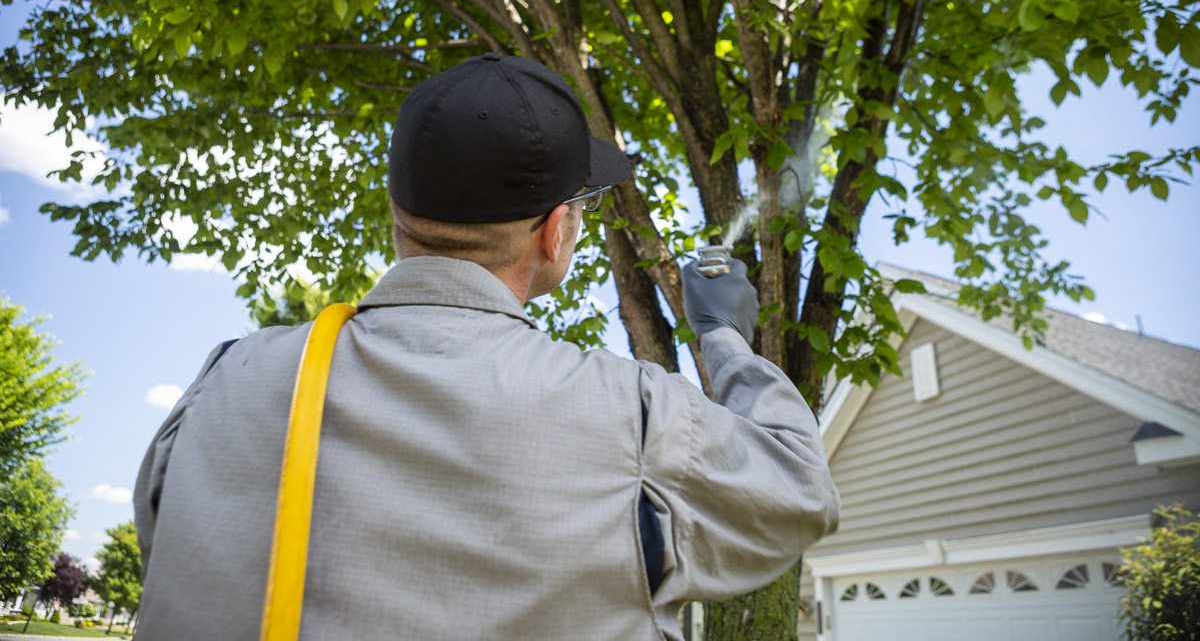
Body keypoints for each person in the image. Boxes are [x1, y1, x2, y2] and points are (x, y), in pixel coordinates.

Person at [132, 53, 839, 641]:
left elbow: (167, 545)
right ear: (555, 232)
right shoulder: (633, 413)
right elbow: (799, 490)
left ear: (399, 211)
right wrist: (724, 339)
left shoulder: (227, 378)